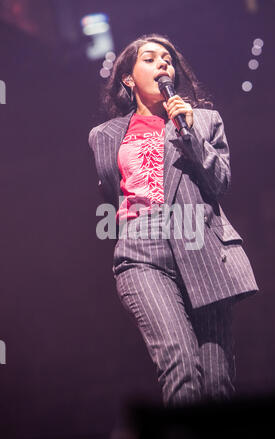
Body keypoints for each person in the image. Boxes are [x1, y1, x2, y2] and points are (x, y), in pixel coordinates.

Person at [88, 33, 259, 409]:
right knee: (180, 364)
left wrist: (190, 131)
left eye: (167, 59)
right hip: (141, 252)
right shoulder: (104, 136)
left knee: (216, 381)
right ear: (128, 78)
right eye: (150, 59)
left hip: (202, 245)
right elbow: (113, 192)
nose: (163, 63)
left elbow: (220, 183)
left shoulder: (204, 120)